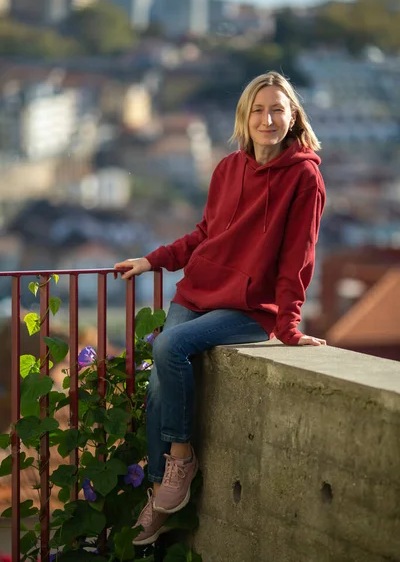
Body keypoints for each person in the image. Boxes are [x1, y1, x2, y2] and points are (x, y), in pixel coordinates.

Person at [114, 71, 326, 545]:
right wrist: (154, 260)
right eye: (258, 110)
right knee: (156, 392)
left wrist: (289, 327)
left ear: (292, 117)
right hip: (199, 293)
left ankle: (181, 462)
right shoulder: (228, 168)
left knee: (169, 345)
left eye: (277, 109)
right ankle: (158, 495)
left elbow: (299, 257)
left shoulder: (305, 177)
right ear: (245, 118)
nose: (267, 119)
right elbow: (205, 235)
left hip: (250, 309)